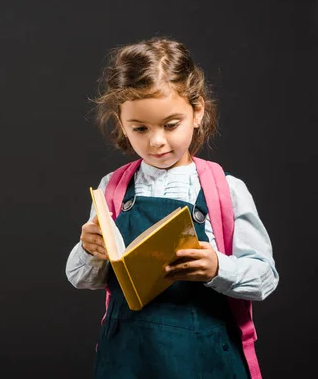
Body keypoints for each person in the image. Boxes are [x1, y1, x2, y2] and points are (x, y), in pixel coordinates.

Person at [65, 37, 279, 378]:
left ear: (197, 112)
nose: (157, 141)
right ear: (121, 123)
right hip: (128, 358)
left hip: (202, 359)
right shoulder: (113, 188)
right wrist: (90, 250)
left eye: (170, 124)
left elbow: (265, 278)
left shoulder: (226, 190)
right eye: (140, 128)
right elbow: (79, 279)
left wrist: (217, 268)